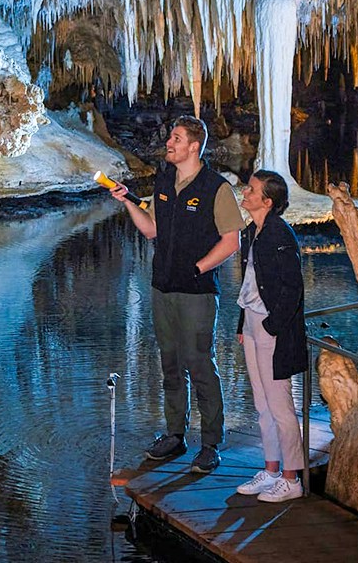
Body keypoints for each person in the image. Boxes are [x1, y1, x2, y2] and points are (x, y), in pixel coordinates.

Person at [109, 116, 245, 473]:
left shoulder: (216, 188)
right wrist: (128, 202)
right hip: (162, 287)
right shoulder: (165, 179)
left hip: (197, 293)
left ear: (194, 146)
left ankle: (211, 443)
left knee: (200, 364)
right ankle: (175, 434)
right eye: (171, 136)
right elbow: (152, 229)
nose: (169, 142)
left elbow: (232, 241)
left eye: (176, 138)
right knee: (170, 365)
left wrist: (199, 267)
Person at [232, 169, 308, 503]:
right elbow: (250, 282)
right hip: (251, 323)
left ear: (267, 200)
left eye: (252, 189)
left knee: (280, 405)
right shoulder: (252, 233)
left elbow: (292, 288)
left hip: (270, 326)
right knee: (262, 405)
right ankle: (272, 469)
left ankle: (292, 479)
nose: (245, 192)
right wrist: (242, 325)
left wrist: (272, 326)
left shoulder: (280, 235)